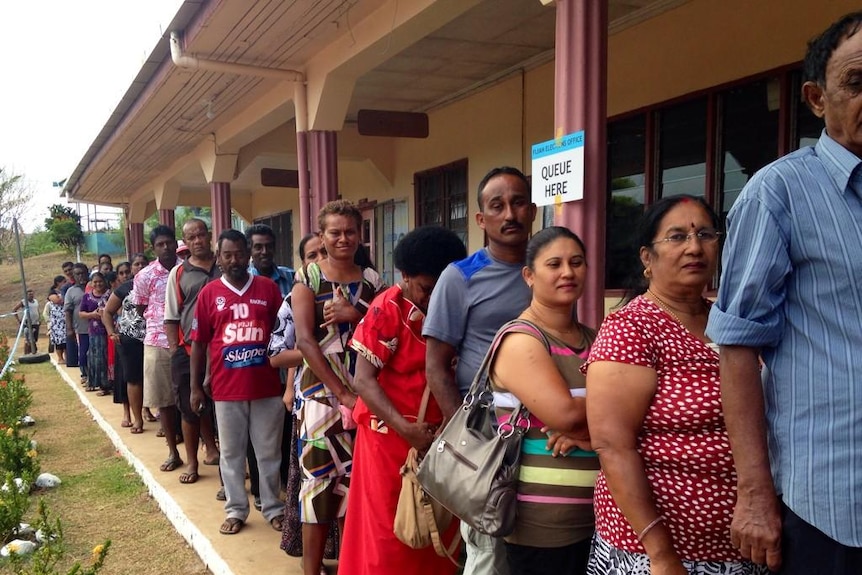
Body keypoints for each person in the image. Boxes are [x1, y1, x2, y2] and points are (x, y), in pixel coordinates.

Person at [705, 13, 862, 575]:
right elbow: (737, 349)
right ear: (817, 99)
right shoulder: (778, 194)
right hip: (833, 504)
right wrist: (753, 495)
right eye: (857, 82)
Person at [582, 195, 766, 575]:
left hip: (742, 546)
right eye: (677, 237)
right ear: (647, 258)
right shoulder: (632, 328)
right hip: (658, 555)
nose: (695, 247)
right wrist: (660, 552)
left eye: (706, 235)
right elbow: (613, 446)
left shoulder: (727, 323)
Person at [423, 166, 537, 575]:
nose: (510, 214)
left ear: (534, 210)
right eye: (497, 205)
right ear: (480, 219)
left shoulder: (549, 269)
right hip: (488, 434)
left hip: (545, 431)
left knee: (537, 545)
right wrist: (467, 437)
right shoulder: (460, 276)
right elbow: (435, 366)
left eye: (518, 202)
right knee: (488, 551)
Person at [338, 226, 466, 575]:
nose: (434, 297)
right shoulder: (387, 309)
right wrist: (405, 428)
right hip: (389, 438)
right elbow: (363, 380)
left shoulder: (456, 305)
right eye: (426, 288)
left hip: (439, 439)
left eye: (442, 287)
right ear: (405, 276)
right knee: (389, 532)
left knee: (437, 525)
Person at [484, 226, 598, 575]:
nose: (568, 272)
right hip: (543, 525)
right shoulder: (522, 339)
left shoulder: (595, 338)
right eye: (555, 264)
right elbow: (567, 415)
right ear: (529, 276)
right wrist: (589, 424)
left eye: (576, 262)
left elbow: (637, 412)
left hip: (602, 519)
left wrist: (587, 435)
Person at [292, 200, 385, 575]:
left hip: (366, 397)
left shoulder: (374, 281)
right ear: (321, 236)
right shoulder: (308, 280)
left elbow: (385, 335)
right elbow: (305, 342)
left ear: (360, 234)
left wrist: (356, 315)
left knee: (354, 486)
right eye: (335, 232)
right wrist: (342, 394)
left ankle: (350, 567)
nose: (343, 238)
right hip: (320, 399)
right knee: (317, 487)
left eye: (350, 231)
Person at [189, 229, 285, 536]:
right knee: (231, 454)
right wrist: (195, 386)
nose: (234, 260)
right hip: (227, 389)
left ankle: (272, 507)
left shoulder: (268, 289)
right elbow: (199, 343)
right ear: (219, 258)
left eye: (239, 254)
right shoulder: (209, 294)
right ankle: (236, 509)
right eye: (227, 254)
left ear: (249, 255)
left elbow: (285, 335)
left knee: (268, 452)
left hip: (267, 387)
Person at [271, 232, 340, 569]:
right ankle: (311, 563)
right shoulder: (293, 300)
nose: (319, 259)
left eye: (322, 252)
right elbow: (277, 355)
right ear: (303, 262)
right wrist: (315, 350)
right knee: (316, 484)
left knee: (347, 484)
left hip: (354, 403)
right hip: (314, 401)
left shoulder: (360, 289)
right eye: (312, 255)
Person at [165, 218, 221, 485]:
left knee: (221, 407)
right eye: (191, 237)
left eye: (201, 235)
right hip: (190, 350)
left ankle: (217, 454)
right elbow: (171, 317)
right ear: (185, 243)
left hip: (224, 350)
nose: (198, 240)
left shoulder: (226, 265)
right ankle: (192, 461)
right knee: (191, 407)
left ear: (209, 236)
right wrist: (176, 350)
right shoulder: (178, 274)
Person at [245, 223, 295, 509]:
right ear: (250, 250)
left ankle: (286, 485)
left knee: (287, 430)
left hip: (288, 369)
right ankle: (261, 492)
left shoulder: (291, 277)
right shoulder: (244, 281)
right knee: (259, 435)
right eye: (257, 247)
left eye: (268, 246)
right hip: (256, 369)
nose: (264, 252)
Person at [133, 225, 183, 473]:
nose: (166, 247)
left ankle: (206, 447)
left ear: (175, 243)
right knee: (164, 400)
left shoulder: (187, 268)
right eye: (160, 244)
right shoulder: (144, 276)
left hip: (186, 341)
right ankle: (173, 452)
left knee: (191, 398)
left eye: (169, 243)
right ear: (153, 248)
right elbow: (141, 308)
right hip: (156, 340)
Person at [103, 253, 149, 433]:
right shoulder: (125, 288)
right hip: (130, 339)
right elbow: (107, 312)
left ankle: (158, 415)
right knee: (133, 379)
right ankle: (137, 419)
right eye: (137, 264)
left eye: (144, 263)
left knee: (155, 379)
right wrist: (111, 333)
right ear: (132, 268)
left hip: (154, 338)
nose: (141, 267)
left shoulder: (159, 285)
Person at [79, 272, 111, 394]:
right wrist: (92, 314)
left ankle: (105, 385)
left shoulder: (110, 294)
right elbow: (81, 313)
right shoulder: (87, 297)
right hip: (94, 331)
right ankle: (93, 382)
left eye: (100, 281)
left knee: (105, 357)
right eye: (95, 282)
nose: (98, 284)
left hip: (108, 331)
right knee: (93, 357)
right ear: (91, 283)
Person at [64, 264, 91, 383]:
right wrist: (69, 329)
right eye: (78, 274)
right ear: (73, 276)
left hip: (98, 328)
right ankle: (85, 375)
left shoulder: (94, 286)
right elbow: (68, 311)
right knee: (84, 353)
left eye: (83, 273)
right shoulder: (71, 291)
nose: (81, 276)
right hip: (81, 329)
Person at [46, 276, 67, 364]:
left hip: (65, 319)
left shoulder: (65, 291)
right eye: (64, 282)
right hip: (57, 321)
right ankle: (60, 358)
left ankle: (67, 357)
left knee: (66, 340)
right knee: (59, 341)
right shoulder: (52, 292)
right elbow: (58, 301)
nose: (65, 283)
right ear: (58, 283)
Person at [13, 289, 42, 354]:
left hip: (35, 322)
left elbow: (37, 310)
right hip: (27, 323)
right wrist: (19, 320)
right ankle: (27, 353)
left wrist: (39, 319)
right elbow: (14, 310)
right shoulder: (23, 302)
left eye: (32, 294)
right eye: (29, 294)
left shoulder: (36, 301)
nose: (31, 296)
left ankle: (33, 351)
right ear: (26, 295)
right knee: (28, 339)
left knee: (35, 338)